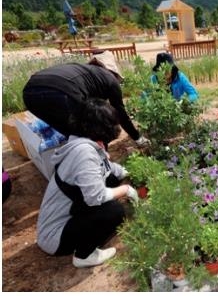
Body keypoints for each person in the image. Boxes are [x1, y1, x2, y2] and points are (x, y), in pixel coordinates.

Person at [36, 98, 139, 268]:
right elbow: (95, 196)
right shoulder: (84, 152)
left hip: (70, 216)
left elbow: (107, 168)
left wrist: (132, 171)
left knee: (112, 179)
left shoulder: (82, 142)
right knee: (114, 211)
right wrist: (126, 189)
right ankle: (84, 255)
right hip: (56, 236)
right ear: (102, 127)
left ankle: (90, 234)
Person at [22, 50, 150, 147]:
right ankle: (101, 165)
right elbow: (120, 114)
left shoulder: (87, 73)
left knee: (72, 134)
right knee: (92, 131)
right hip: (62, 92)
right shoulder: (110, 80)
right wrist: (137, 137)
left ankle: (74, 161)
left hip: (29, 95)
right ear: (113, 71)